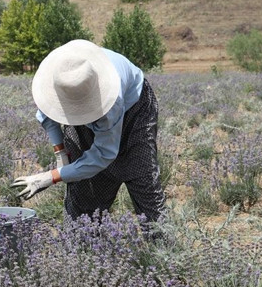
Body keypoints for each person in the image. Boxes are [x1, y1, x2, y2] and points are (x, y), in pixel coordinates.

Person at [12, 39, 165, 225]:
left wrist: (51, 176)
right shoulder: (62, 77)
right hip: (86, 99)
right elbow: (46, 114)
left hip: (135, 113)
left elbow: (104, 153)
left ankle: (159, 245)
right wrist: (60, 151)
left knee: (143, 180)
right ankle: (82, 244)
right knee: (85, 191)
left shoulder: (111, 101)